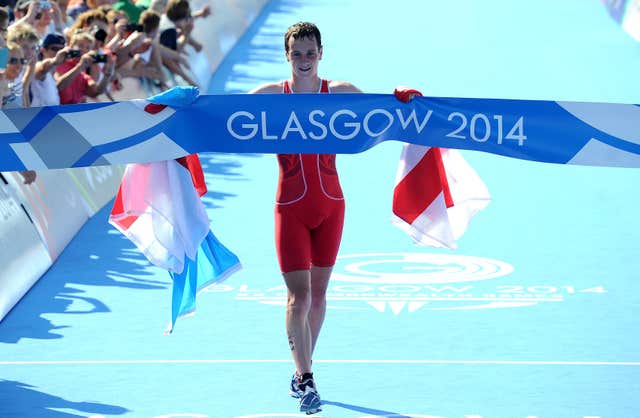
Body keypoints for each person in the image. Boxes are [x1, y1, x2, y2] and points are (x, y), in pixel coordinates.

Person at [249, 21, 362, 415]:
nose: (303, 60)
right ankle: (306, 377)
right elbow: (221, 116)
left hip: (332, 207)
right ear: (287, 55)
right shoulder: (269, 96)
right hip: (290, 209)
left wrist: (403, 99)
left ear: (321, 53)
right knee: (298, 297)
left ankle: (303, 369)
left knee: (318, 295)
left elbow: (385, 113)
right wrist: (187, 106)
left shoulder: (341, 92)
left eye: (310, 52)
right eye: (296, 53)